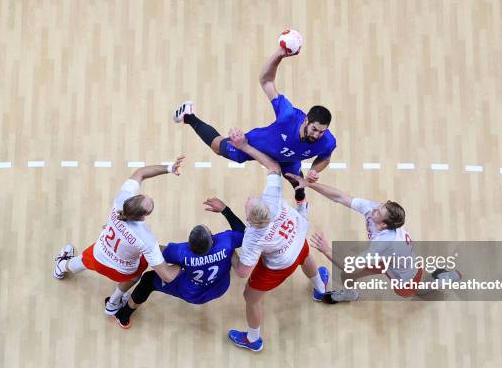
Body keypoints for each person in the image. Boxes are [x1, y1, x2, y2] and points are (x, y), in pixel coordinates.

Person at [172, 46, 336, 202]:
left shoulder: (328, 141)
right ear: (306, 121)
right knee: (218, 148)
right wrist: (279, 54)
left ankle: (301, 200)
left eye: (321, 132)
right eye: (314, 129)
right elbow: (266, 81)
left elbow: (325, 158)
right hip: (258, 145)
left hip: (289, 159)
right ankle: (189, 116)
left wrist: (314, 170)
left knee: (297, 181)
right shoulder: (288, 115)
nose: (317, 135)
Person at [223, 128, 329, 352]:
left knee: (250, 297)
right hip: (298, 236)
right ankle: (320, 288)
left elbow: (242, 272)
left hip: (282, 261)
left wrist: (230, 252)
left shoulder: (252, 237)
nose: (252, 198)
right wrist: (245, 146)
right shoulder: (271, 201)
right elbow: (273, 167)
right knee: (306, 255)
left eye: (249, 203)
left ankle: (253, 340)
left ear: (250, 220)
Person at [286, 174, 461, 300]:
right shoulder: (375, 212)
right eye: (380, 205)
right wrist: (309, 184)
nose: (374, 208)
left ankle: (445, 279)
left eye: (378, 210)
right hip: (387, 260)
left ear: (384, 224)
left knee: (418, 291)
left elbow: (348, 265)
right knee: (348, 278)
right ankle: (349, 294)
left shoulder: (385, 242)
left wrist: (326, 249)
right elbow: (339, 197)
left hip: (404, 277)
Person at [53, 157, 186, 315]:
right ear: (144, 216)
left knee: (80, 261)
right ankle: (112, 303)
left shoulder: (120, 201)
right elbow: (168, 276)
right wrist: (183, 261)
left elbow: (141, 173)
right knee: (137, 273)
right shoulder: (147, 239)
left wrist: (169, 167)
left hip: (99, 256)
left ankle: (60, 268)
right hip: (123, 272)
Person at [113, 197, 246, 329]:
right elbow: (243, 232)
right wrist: (224, 209)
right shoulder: (226, 241)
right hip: (219, 287)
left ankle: (123, 315)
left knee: (148, 280)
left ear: (189, 244)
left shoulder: (182, 252)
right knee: (231, 252)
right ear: (212, 239)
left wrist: (134, 242)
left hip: (191, 292)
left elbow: (156, 252)